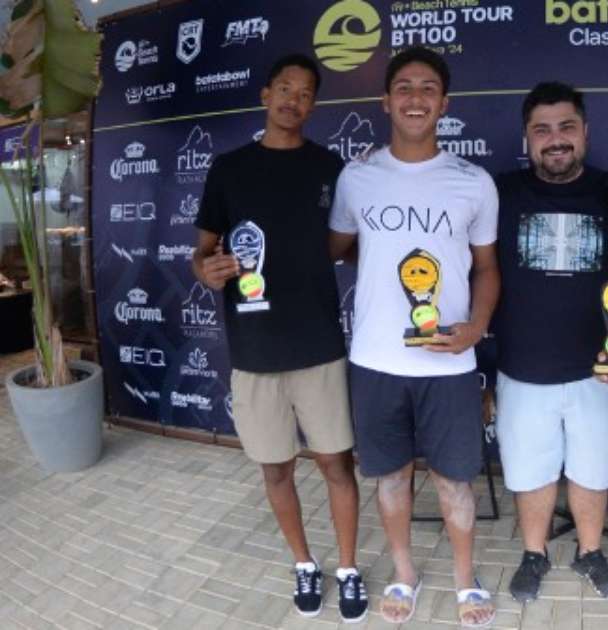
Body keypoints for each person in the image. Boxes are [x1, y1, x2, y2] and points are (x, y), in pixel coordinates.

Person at [328, 47, 499, 627]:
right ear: (385, 101)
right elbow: (339, 252)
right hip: (375, 361)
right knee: (391, 477)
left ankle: (464, 578)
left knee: (456, 481)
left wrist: (475, 328)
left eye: (428, 88)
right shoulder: (356, 177)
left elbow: (488, 269)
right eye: (404, 87)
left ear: (444, 104)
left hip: (449, 365)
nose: (416, 98)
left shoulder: (473, 182)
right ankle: (404, 572)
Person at [192, 53, 366, 622]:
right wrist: (204, 269)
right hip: (255, 348)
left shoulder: (331, 167)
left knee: (338, 465)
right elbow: (203, 251)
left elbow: (354, 245)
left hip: (319, 345)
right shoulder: (229, 168)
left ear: (315, 105)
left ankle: (347, 567)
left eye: (306, 93)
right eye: (285, 89)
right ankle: (304, 564)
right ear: (266, 94)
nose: (294, 100)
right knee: (276, 470)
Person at [492, 82, 608, 603]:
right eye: (542, 129)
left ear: (586, 132)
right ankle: (535, 553)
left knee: (593, 468)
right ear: (526, 137)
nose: (556, 139)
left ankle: (590, 553)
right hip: (524, 366)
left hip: (600, 367)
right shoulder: (498, 192)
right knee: (530, 469)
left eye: (567, 127)